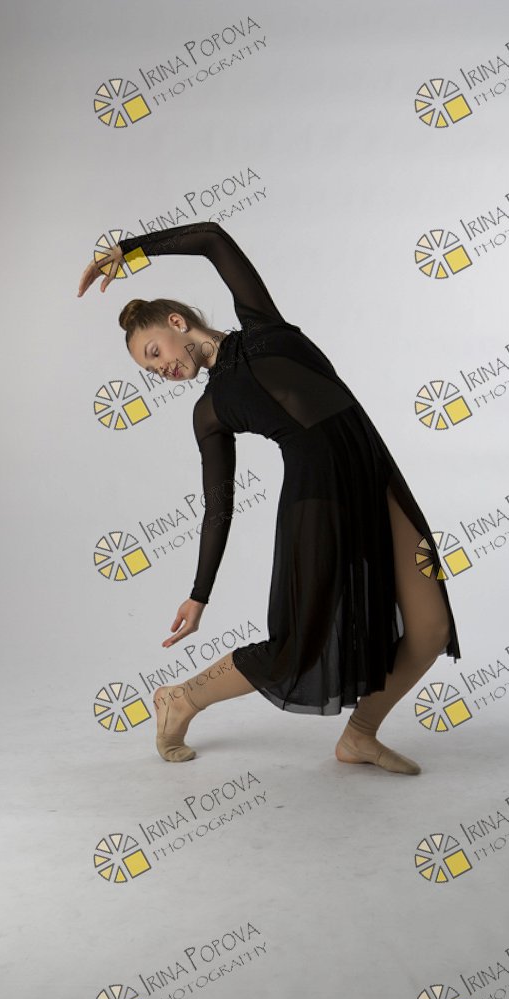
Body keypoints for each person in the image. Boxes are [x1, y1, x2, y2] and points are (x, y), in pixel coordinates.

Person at [77, 221, 461, 773]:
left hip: (374, 477)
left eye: (155, 350)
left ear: (177, 322)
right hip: (317, 503)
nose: (161, 368)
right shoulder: (209, 412)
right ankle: (181, 697)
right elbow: (218, 505)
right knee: (295, 649)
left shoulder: (262, 324)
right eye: (151, 368)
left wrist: (130, 250)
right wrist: (199, 593)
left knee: (430, 628)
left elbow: (212, 238)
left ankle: (359, 736)